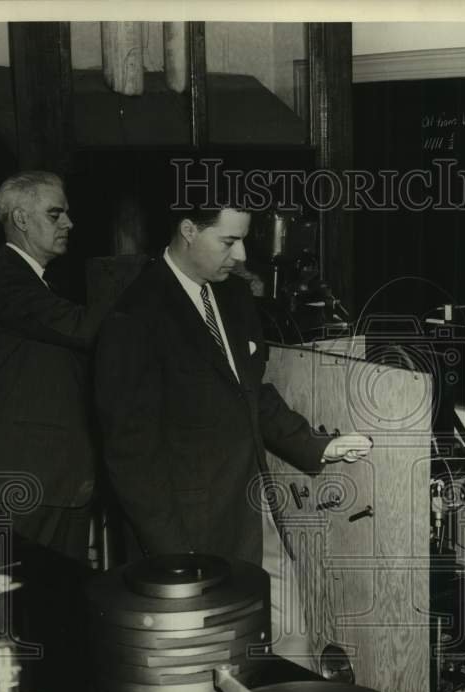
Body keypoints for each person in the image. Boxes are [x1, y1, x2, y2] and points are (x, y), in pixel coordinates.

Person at [94, 205, 371, 662]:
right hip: (185, 530)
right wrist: (173, 557)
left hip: (249, 506)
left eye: (243, 240)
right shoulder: (133, 318)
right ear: (187, 231)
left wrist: (316, 445)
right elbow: (130, 453)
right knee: (213, 661)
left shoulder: (234, 297)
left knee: (290, 639)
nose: (241, 255)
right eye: (228, 242)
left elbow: (252, 393)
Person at [0, 170, 113, 692]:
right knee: (29, 614)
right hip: (30, 476)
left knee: (52, 608)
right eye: (57, 213)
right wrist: (164, 299)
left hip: (54, 474)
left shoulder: (30, 282)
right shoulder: (10, 282)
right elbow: (83, 328)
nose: (69, 222)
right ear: (21, 219)